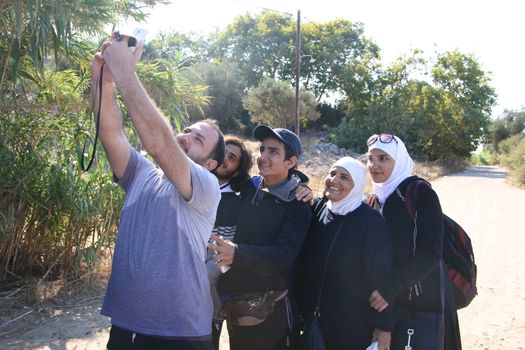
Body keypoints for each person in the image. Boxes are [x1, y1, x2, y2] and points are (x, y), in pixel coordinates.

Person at [92, 33, 224, 349]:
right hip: (125, 327)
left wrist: (125, 71)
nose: (185, 136)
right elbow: (111, 134)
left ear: (210, 164)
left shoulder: (206, 186)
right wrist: (103, 81)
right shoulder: (143, 174)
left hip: (179, 335)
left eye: (198, 140)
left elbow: (159, 141)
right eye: (187, 130)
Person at [211, 125, 313, 350]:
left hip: (273, 308)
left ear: (291, 161)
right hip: (240, 306)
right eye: (262, 149)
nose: (263, 156)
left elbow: (284, 255)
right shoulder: (251, 188)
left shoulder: (298, 205)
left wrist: (237, 254)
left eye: (274, 152)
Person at [366, 133, 462, 350]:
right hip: (386, 301)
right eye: (371, 159)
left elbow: (431, 252)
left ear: (398, 161)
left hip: (422, 302)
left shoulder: (419, 192)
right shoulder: (375, 198)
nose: (374, 165)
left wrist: (391, 287)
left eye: (383, 158)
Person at [297, 157, 394, 350]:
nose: (334, 180)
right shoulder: (319, 209)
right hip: (313, 323)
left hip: (351, 327)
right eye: (332, 173)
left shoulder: (370, 222)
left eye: (344, 177)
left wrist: (384, 326)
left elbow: (382, 277)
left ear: (357, 185)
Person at [207, 136, 253, 350]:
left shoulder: (234, 203)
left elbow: (221, 257)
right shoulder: (188, 185)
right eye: (223, 151)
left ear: (236, 171)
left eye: (232, 158)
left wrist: (190, 278)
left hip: (206, 299)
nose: (224, 158)